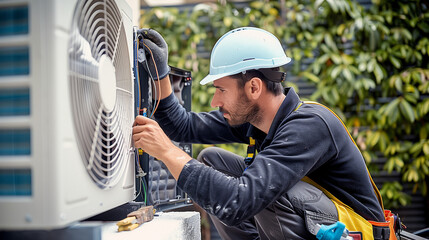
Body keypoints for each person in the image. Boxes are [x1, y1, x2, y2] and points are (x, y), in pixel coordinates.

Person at [132, 27, 386, 240]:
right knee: (213, 160)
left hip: (353, 233)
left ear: (254, 87)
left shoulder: (309, 125)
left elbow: (240, 201)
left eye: (221, 90)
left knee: (263, 190)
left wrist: (167, 151)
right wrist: (160, 74)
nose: (214, 101)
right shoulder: (258, 119)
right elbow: (183, 126)